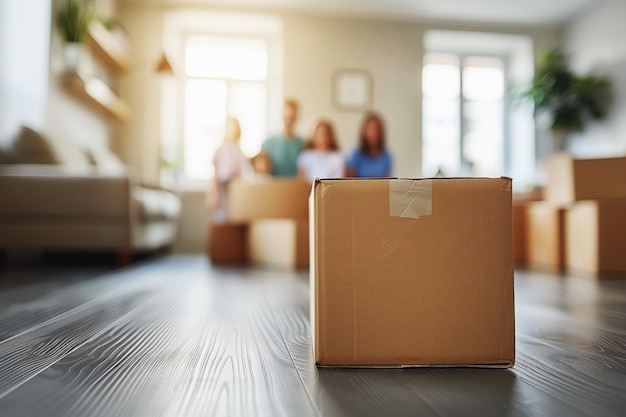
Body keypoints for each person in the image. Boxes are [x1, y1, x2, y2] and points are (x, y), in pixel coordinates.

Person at [206, 117, 249, 222]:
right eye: (229, 127)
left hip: (234, 190)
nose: (232, 130)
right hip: (221, 190)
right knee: (221, 217)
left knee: (233, 217)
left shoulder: (239, 151)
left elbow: (242, 172)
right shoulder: (220, 150)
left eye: (234, 127)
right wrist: (214, 193)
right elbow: (215, 174)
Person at [260, 99, 305, 177]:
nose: (288, 121)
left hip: (297, 188)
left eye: (291, 118)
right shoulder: (268, 144)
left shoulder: (303, 144)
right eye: (286, 117)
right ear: (281, 116)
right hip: (274, 187)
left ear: (296, 118)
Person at [346, 112, 392, 177]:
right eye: (371, 129)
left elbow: (387, 183)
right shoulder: (355, 155)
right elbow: (348, 182)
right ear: (364, 132)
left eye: (377, 129)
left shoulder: (386, 156)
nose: (374, 133)